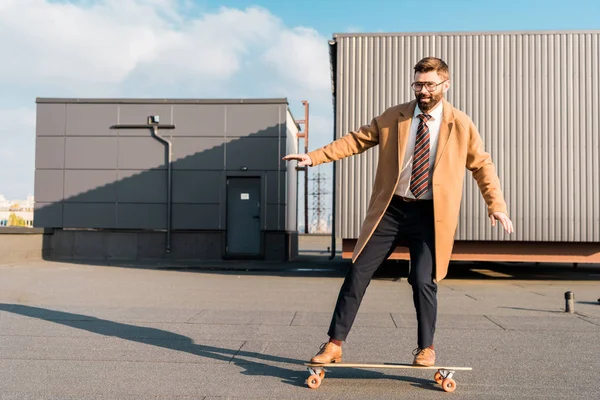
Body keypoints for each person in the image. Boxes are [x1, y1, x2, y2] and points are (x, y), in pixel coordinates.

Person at [283, 57, 514, 367]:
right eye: (418, 83)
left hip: (430, 215)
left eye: (430, 84)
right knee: (357, 271)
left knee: (422, 280)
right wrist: (314, 157)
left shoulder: (460, 123)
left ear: (445, 85)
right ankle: (334, 344)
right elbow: (355, 140)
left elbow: (482, 165)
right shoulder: (395, 117)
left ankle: (426, 348)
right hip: (390, 210)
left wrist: (495, 205)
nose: (423, 90)